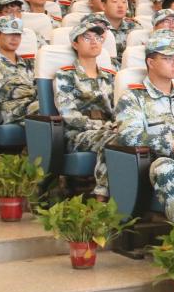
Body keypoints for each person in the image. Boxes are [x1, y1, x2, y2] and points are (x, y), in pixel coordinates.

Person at [114, 31, 174, 224]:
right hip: (168, 161)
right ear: (151, 62)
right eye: (167, 58)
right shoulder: (133, 98)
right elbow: (128, 135)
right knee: (165, 169)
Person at [51, 19, 121, 199]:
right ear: (75, 44)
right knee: (116, 139)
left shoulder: (111, 76)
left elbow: (121, 108)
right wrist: (102, 126)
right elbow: (69, 115)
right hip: (78, 134)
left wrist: (118, 125)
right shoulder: (65, 75)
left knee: (130, 137)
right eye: (87, 38)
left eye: (97, 37)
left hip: (109, 128)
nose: (94, 41)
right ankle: (101, 199)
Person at [100, 0, 138, 67]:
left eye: (124, 2)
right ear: (103, 6)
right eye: (115, 1)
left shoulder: (135, 27)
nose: (120, 5)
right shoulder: (95, 28)